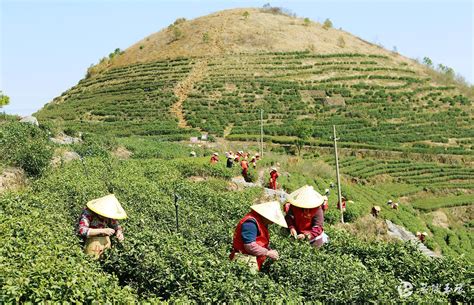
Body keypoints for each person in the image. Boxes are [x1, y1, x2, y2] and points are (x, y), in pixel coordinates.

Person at [230, 201, 287, 272]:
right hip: (243, 263)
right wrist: (268, 253)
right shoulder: (250, 223)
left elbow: (260, 240)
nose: (273, 222)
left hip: (252, 262)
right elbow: (250, 246)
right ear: (265, 215)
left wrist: (269, 250)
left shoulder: (260, 221)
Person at [77, 194, 127, 258]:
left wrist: (119, 232)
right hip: (89, 242)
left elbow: (116, 226)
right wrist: (102, 231)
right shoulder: (88, 213)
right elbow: (82, 230)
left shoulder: (109, 215)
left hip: (103, 242)